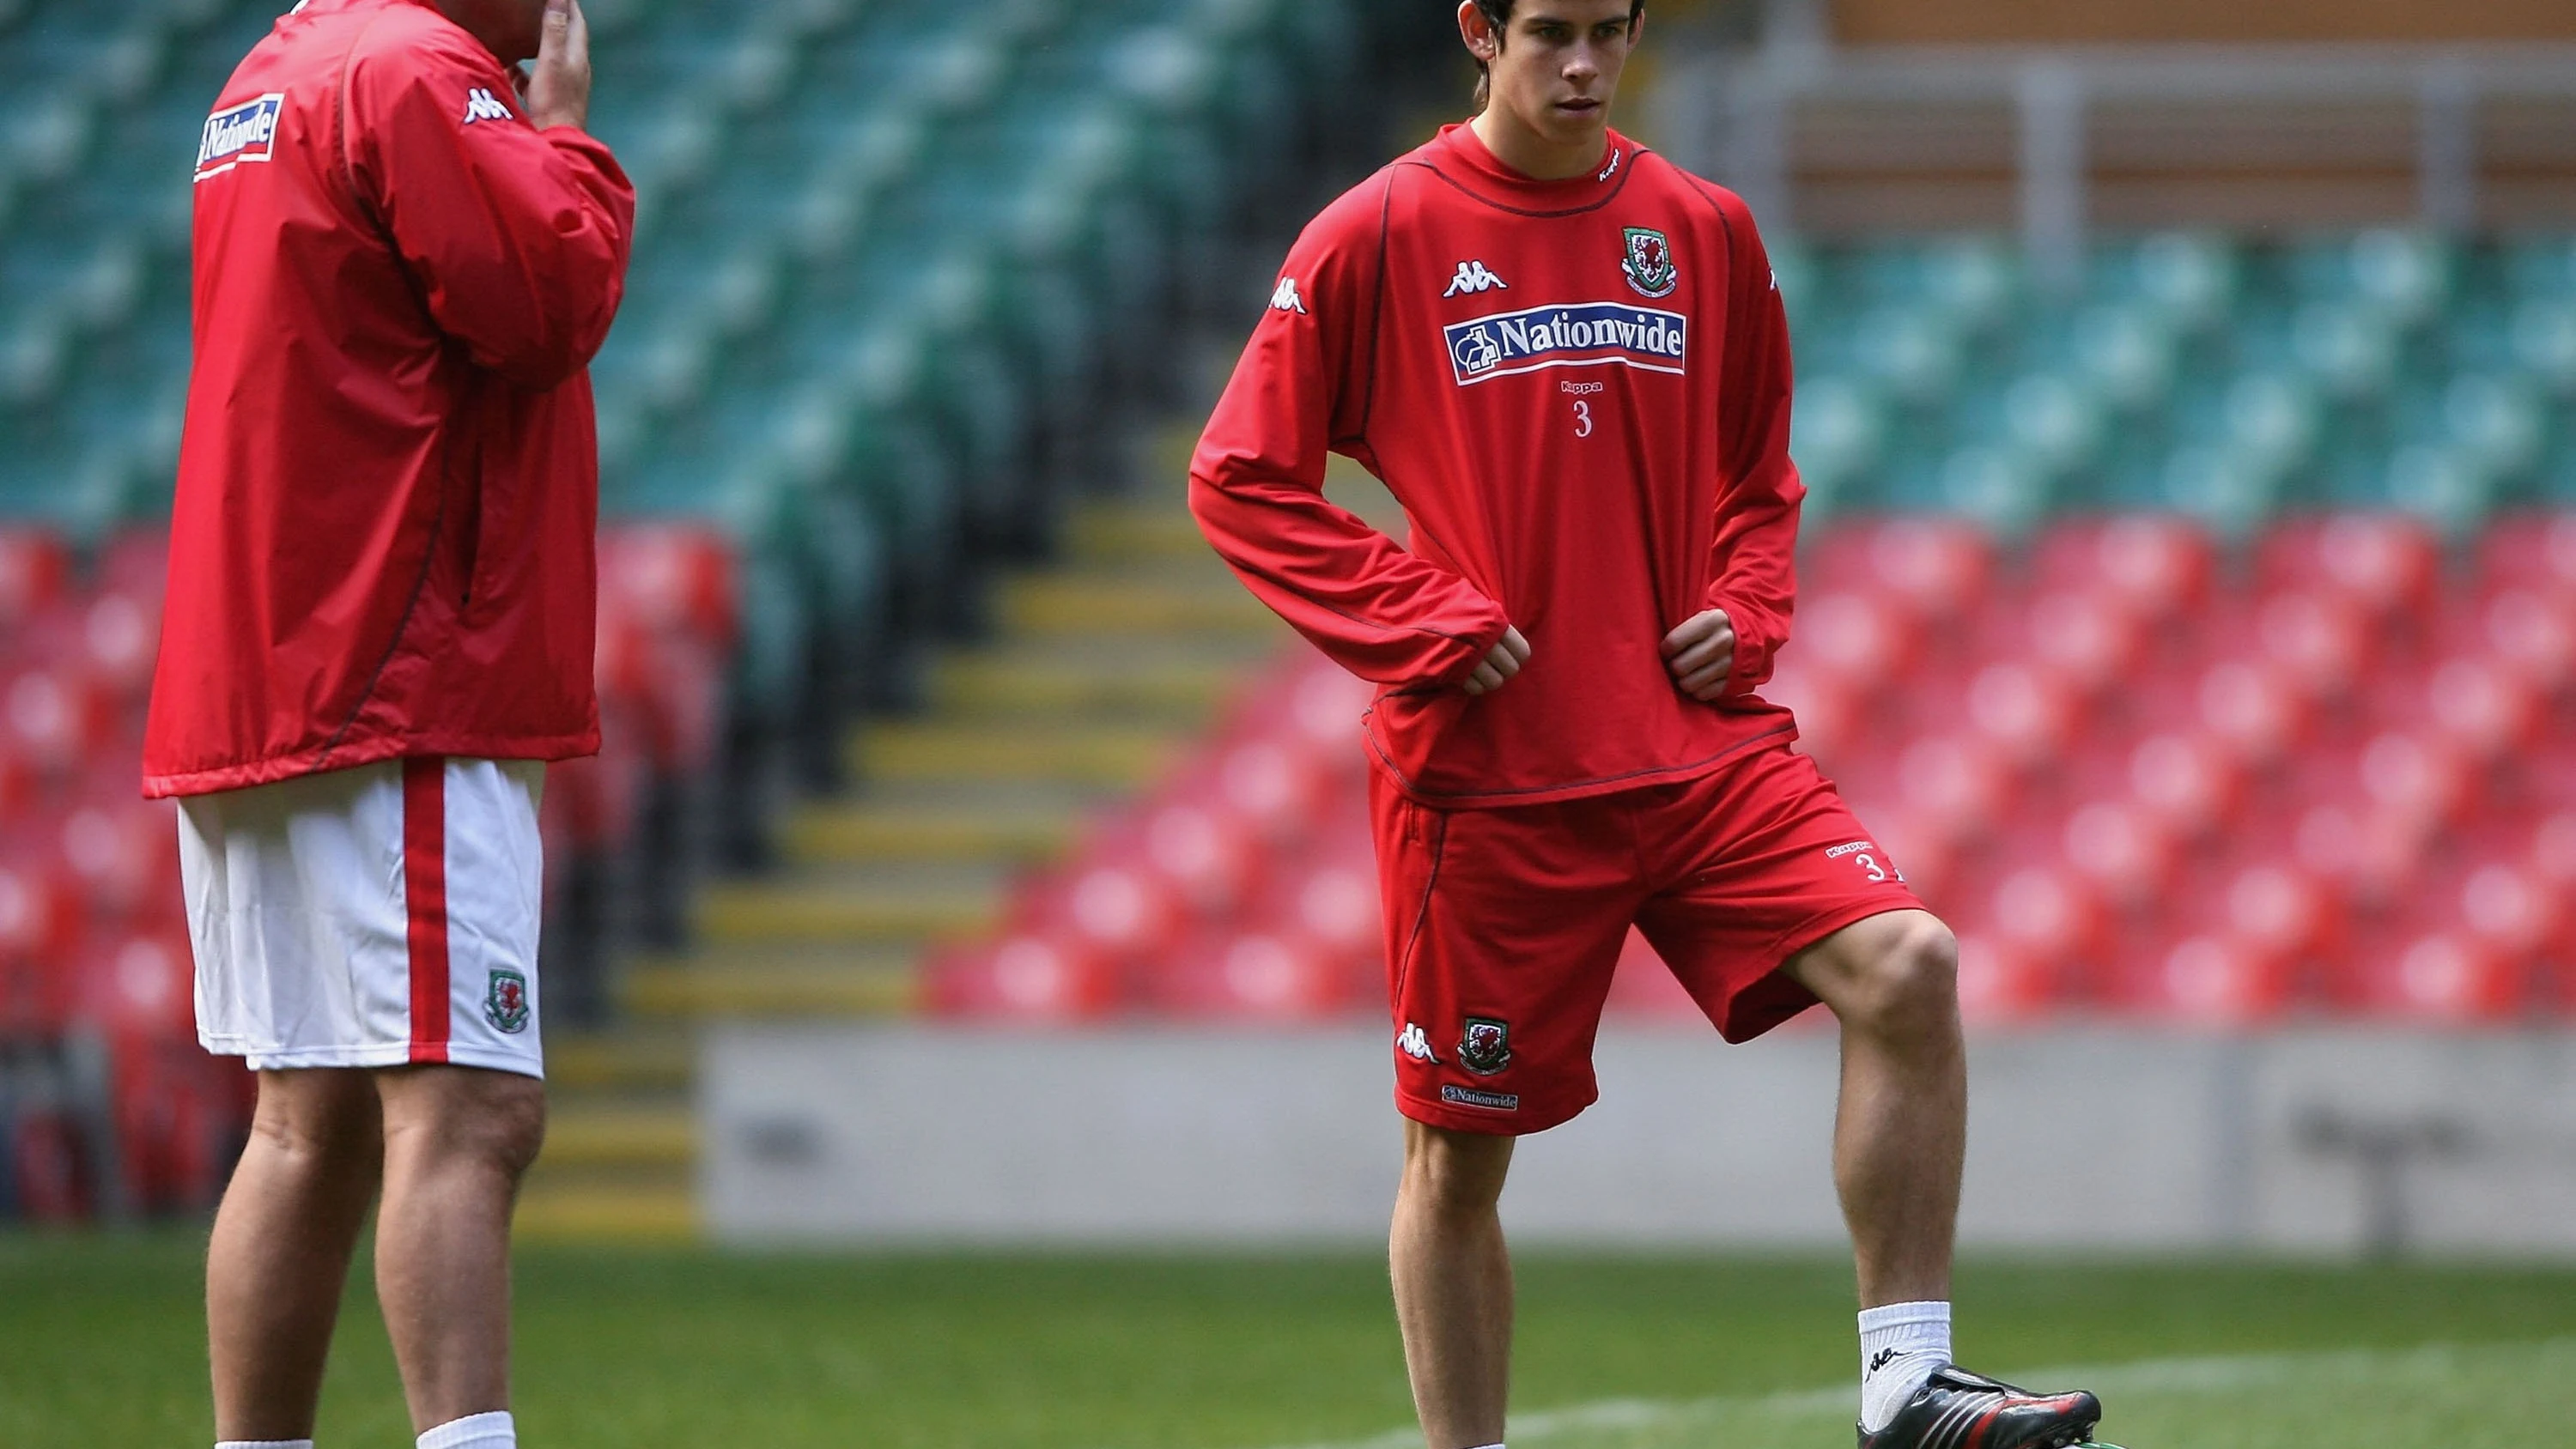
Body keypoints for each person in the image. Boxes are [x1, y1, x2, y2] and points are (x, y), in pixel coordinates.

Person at [1189, 4, 2111, 1448]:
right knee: (1456, 1163)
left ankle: (1906, 1386)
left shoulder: (1701, 227)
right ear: (1479, 31)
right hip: (1492, 785)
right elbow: (1242, 477)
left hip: (1698, 751)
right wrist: (1417, 614)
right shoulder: (1374, 234)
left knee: (1910, 968)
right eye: (1549, 31)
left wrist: (1744, 615)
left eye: (1609, 32)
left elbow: (1759, 480)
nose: (1582, 65)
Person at [145, 1, 630, 1446]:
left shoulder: (274, 68)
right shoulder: (417, 68)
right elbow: (546, 301)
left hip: (272, 671)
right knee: (469, 1118)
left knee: (307, 1127)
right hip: (393, 670)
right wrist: (569, 141)